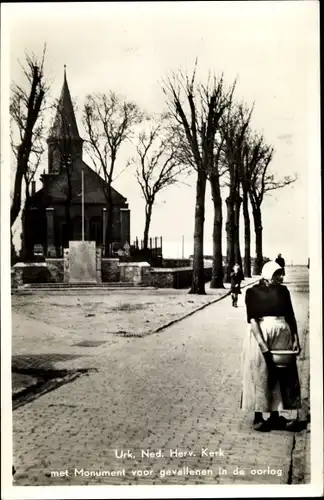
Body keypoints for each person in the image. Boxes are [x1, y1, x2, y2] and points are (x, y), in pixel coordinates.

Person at [241, 261, 301, 432]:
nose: (281, 277)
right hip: (260, 335)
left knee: (282, 373)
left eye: (281, 274)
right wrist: (262, 345)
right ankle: (258, 416)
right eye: (277, 274)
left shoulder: (283, 291)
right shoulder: (252, 292)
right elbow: (252, 319)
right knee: (259, 372)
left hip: (282, 334)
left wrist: (296, 338)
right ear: (268, 274)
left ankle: (276, 415)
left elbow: (290, 316)